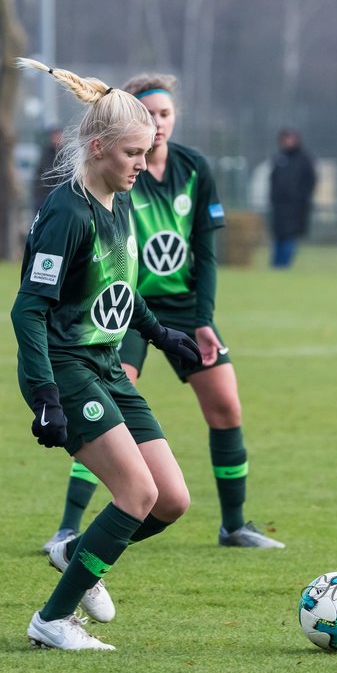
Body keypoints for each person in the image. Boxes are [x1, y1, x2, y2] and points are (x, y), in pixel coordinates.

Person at [42, 71, 283, 557]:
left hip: (182, 310)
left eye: (166, 114)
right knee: (108, 407)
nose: (158, 122)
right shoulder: (118, 174)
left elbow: (205, 252)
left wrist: (204, 317)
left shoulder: (194, 168)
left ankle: (234, 525)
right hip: (124, 307)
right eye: (148, 113)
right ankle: (68, 529)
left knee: (226, 404)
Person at [12, 59, 206, 651]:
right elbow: (28, 310)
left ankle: (75, 552)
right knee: (136, 495)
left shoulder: (119, 200)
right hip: (67, 368)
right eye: (132, 155)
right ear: (97, 148)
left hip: (106, 365)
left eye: (147, 154)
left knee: (171, 500)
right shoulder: (67, 214)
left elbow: (119, 287)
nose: (143, 168)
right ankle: (52, 619)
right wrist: (45, 395)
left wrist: (160, 333)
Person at [268, 127, 318, 269]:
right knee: (278, 237)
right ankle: (276, 266)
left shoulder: (304, 159)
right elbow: (273, 180)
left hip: (296, 208)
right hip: (279, 207)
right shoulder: (279, 158)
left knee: (290, 238)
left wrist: (302, 198)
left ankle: (284, 265)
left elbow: (311, 180)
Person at [33, 124, 65, 214]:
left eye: (58, 134)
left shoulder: (65, 153)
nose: (55, 137)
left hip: (59, 196)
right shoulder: (45, 152)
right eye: (54, 135)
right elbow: (45, 172)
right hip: (44, 195)